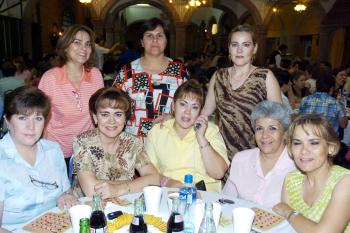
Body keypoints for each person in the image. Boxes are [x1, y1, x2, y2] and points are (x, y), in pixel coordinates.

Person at [201, 24, 282, 180]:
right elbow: (205, 112)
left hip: (255, 155)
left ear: (255, 48)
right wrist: (172, 118)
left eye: (246, 45)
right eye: (234, 45)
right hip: (222, 156)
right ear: (229, 48)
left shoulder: (265, 76)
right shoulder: (219, 76)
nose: (239, 50)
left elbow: (279, 120)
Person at [0, 87, 78, 232]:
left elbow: (66, 191)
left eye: (38, 118)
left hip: (56, 226)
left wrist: (66, 196)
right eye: (22, 118)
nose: (31, 127)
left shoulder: (53, 150)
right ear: (7, 121)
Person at [72, 87, 160, 199]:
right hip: (88, 207)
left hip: (124, 204)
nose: (112, 121)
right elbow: (91, 190)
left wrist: (118, 189)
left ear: (125, 119)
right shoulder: (82, 143)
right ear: (95, 117)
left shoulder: (133, 143)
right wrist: (133, 184)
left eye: (118, 114)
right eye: (105, 114)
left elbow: (154, 179)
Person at [145, 79, 229, 192]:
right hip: (169, 194)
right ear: (174, 106)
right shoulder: (157, 132)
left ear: (200, 111)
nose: (187, 112)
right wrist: (169, 183)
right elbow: (148, 174)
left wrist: (201, 138)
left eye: (194, 107)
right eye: (183, 104)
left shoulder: (210, 131)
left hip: (205, 197)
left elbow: (218, 173)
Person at [38, 24, 104, 167]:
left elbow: (100, 112)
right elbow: (40, 117)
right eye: (77, 42)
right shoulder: (51, 78)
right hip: (57, 152)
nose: (84, 48)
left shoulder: (95, 75)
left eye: (88, 44)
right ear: (65, 46)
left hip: (87, 150)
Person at [113, 17, 189, 140]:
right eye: (149, 35)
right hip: (134, 142)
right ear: (142, 42)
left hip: (170, 140)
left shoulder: (180, 72)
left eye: (160, 36)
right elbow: (113, 105)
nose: (155, 40)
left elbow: (189, 106)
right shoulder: (128, 72)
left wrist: (173, 116)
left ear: (166, 41)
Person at [273, 114, 350, 233]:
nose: (304, 151)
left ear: (331, 148)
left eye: (314, 143)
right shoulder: (292, 179)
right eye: (297, 143)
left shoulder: (345, 181)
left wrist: (289, 213)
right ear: (290, 149)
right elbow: (285, 228)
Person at [222, 101, 295, 207]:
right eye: (259, 129)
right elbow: (226, 201)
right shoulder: (241, 160)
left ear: (285, 133)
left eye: (272, 128)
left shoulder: (296, 166)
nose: (265, 135)